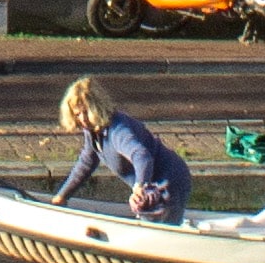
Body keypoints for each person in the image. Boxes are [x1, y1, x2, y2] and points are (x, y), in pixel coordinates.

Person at [52, 78, 193, 222]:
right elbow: (86, 164)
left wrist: (139, 186)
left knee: (159, 233)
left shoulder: (117, 130)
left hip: (169, 181)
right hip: (150, 186)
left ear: (97, 108)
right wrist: (62, 196)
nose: (82, 119)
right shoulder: (93, 132)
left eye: (86, 112)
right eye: (77, 114)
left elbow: (141, 155)